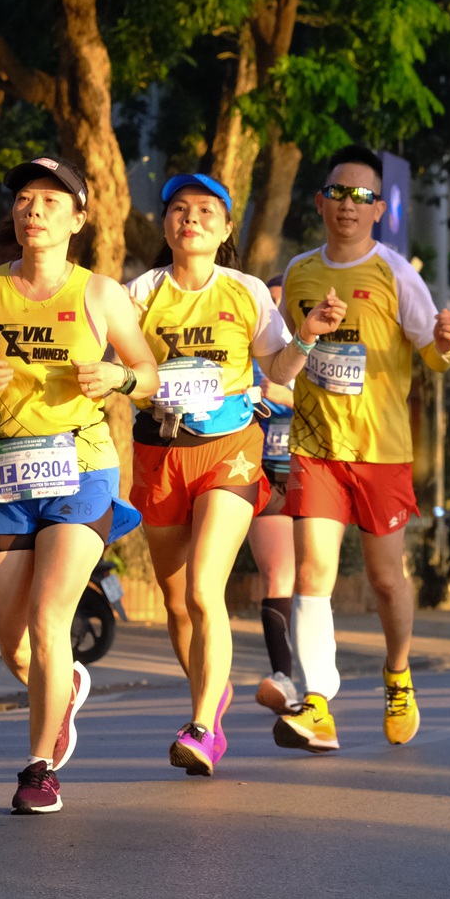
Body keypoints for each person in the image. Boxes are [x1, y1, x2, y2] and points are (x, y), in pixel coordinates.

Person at [0, 156, 158, 815]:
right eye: (24, 200)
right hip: (0, 473)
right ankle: (65, 686)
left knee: (48, 615)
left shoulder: (100, 293)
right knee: (16, 644)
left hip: (80, 468)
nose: (33, 210)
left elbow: (148, 373)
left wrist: (117, 379)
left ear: (78, 219)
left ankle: (39, 768)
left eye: (50, 201)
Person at [125, 173, 344, 775]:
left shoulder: (245, 291)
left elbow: (280, 367)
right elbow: (115, 363)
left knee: (204, 587)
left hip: (230, 448)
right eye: (178, 209)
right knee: (176, 603)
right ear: (165, 224)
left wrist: (307, 335)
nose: (190, 219)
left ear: (225, 229)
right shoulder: (139, 292)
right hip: (159, 450)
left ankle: (203, 729)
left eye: (205, 211)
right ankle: (210, 692)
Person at [276, 145, 450, 752]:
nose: (348, 205)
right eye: (338, 193)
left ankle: (398, 673)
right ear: (320, 202)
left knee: (385, 580)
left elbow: (433, 356)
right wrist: (308, 337)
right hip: (316, 446)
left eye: (361, 196)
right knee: (313, 572)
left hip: (381, 451)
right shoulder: (300, 272)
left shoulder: (396, 273)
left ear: (378, 209)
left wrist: (447, 343)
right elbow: (285, 357)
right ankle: (317, 702)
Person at [249, 277, 302, 714]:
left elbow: (347, 412)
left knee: (316, 578)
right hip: (265, 474)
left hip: (311, 473)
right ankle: (283, 676)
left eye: (286, 308)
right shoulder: (248, 355)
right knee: (277, 574)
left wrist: (288, 396)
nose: (278, 317)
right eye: (272, 308)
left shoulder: (319, 354)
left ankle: (320, 678)